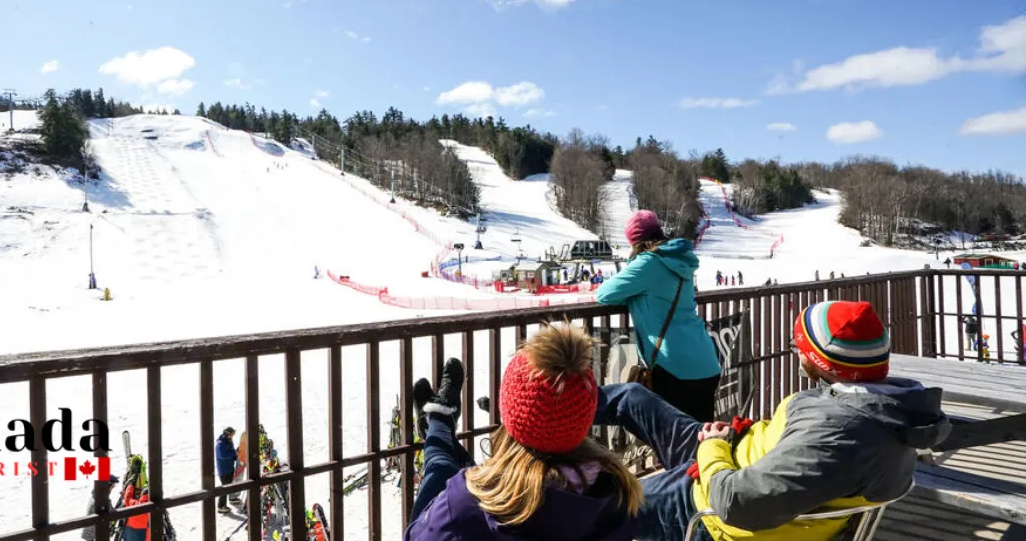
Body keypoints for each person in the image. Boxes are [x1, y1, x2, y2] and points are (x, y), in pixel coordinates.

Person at [595, 300, 950, 541]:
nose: (795, 352)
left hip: (708, 503)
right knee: (632, 397)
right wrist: (738, 434)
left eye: (800, 347)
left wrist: (714, 448)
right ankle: (548, 412)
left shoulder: (838, 434)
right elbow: (793, 451)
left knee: (596, 507)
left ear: (820, 363)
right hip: (729, 454)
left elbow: (737, 504)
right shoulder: (891, 408)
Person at [405, 327, 641, 540]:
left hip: (458, 510)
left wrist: (453, 499)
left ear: (507, 410)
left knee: (440, 466)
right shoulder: (615, 494)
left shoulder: (461, 506)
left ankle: (438, 419)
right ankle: (440, 419)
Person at [595, 210, 722, 421]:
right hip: (706, 362)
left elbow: (604, 293)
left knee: (674, 445)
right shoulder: (681, 262)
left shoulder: (647, 264)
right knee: (702, 441)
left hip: (674, 367)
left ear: (635, 241)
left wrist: (632, 297)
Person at [81, 474, 120, 541]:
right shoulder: (102, 499)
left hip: (92, 533)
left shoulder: (96, 494)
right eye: (112, 486)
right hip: (94, 535)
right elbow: (113, 513)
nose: (112, 489)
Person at [215, 427, 238, 513]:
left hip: (230, 467)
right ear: (226, 433)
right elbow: (223, 456)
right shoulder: (220, 444)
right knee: (225, 488)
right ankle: (221, 506)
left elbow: (231, 450)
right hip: (224, 470)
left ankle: (231, 498)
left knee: (230, 485)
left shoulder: (229, 440)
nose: (232, 436)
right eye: (231, 434)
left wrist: (235, 456)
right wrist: (234, 453)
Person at [122, 475, 150, 541]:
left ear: (142, 494)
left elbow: (127, 498)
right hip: (145, 533)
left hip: (131, 530)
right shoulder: (154, 507)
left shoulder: (135, 504)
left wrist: (130, 485)